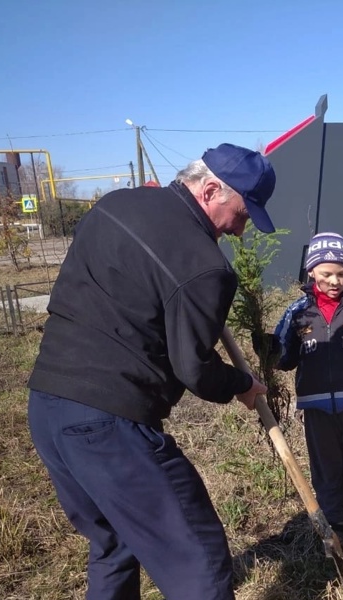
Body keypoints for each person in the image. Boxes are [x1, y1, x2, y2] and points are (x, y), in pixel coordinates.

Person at [27, 143, 277, 600]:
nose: (241, 231)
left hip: (46, 405)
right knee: (199, 561)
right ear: (210, 190)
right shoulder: (205, 267)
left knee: (114, 543)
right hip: (108, 426)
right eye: (242, 214)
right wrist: (242, 383)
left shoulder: (115, 204)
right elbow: (195, 370)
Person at [262, 232, 343, 553]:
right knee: (326, 469)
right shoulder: (297, 313)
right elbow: (284, 358)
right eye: (326, 274)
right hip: (316, 408)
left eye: (341, 274)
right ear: (311, 273)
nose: (334, 281)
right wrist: (269, 351)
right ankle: (336, 524)